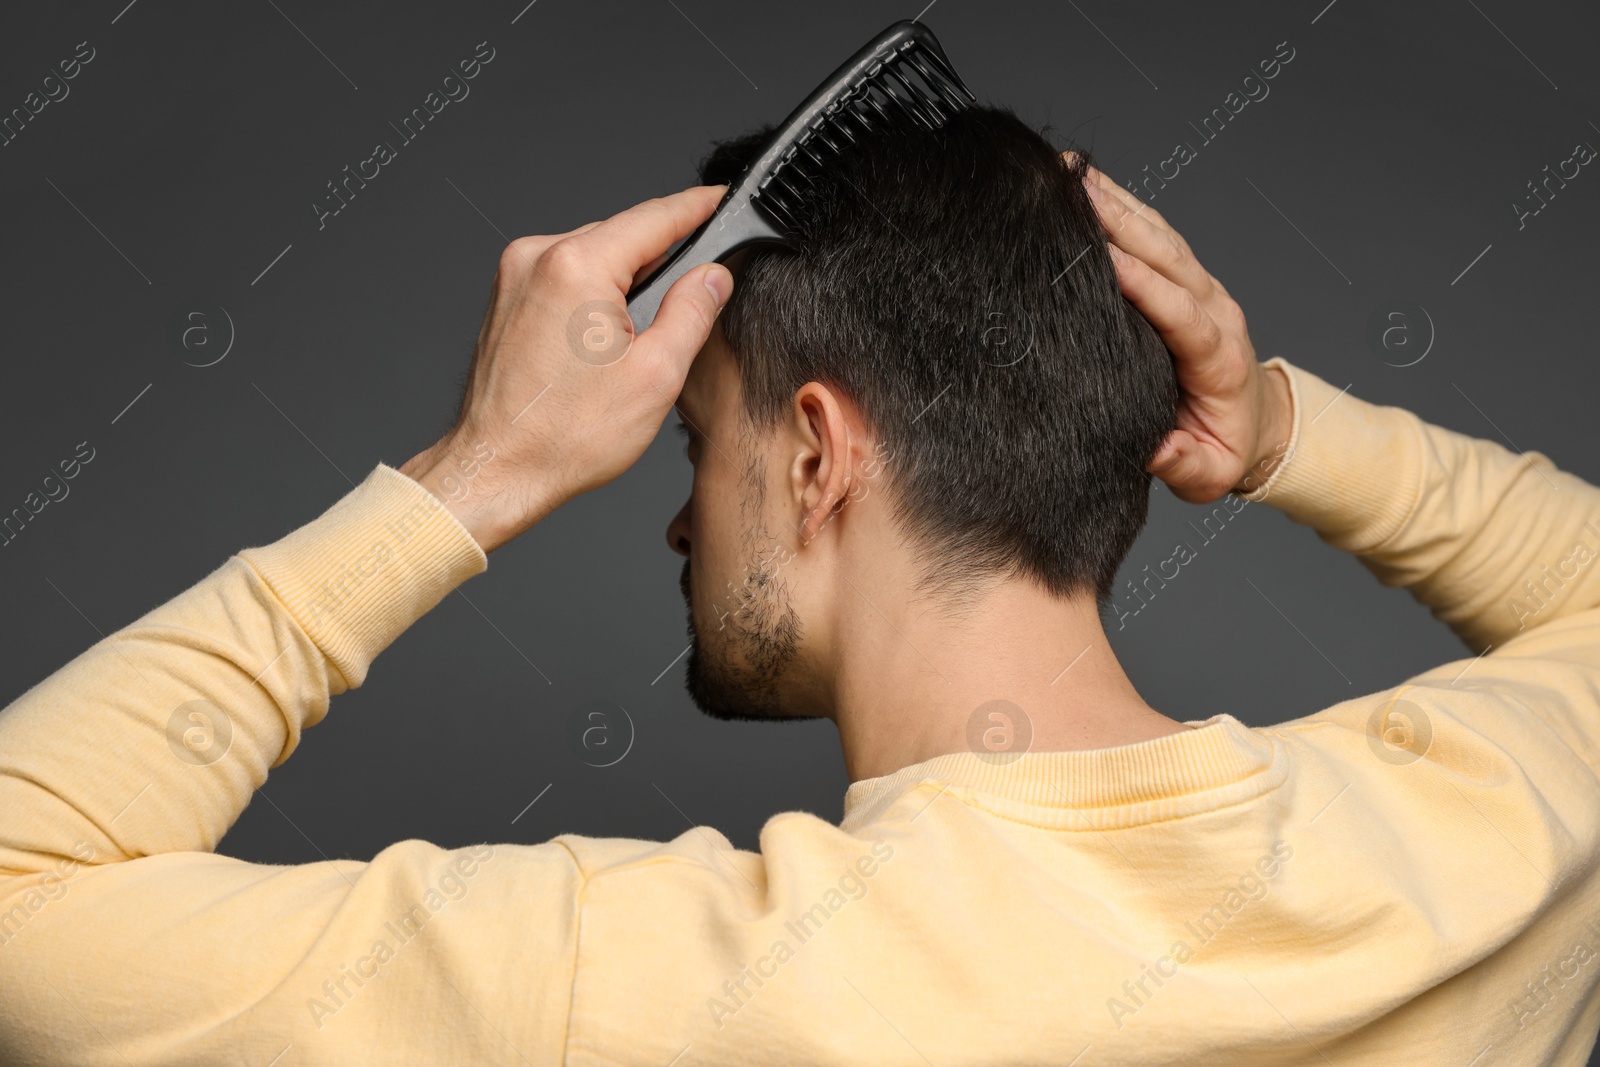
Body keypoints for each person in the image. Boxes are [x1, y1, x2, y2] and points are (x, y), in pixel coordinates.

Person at [1, 103, 1598, 1065]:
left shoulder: (647, 983)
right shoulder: (1492, 822)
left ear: (819, 456)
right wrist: (1280, 432)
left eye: (693, 447)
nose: (678, 524)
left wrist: (482, 471)